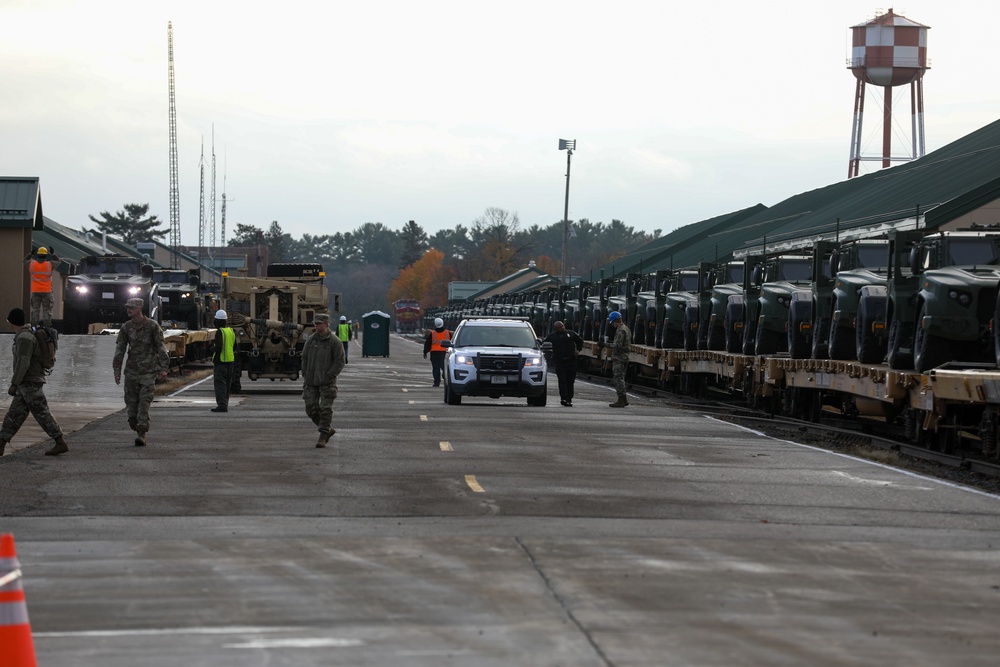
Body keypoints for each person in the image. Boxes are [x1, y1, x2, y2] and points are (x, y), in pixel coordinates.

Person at [0, 308, 69, 456]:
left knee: (42, 413)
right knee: (14, 415)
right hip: (27, 382)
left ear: (13, 322)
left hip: (30, 382)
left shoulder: (24, 337)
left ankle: (60, 441)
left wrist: (14, 383)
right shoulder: (25, 335)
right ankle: (1, 443)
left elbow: (23, 363)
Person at [112, 298, 169, 446]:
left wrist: (164, 368)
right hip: (131, 372)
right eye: (127, 308)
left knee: (144, 403)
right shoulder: (126, 328)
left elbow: (161, 347)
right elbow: (120, 350)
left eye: (131, 308)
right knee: (131, 408)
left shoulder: (152, 326)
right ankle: (136, 426)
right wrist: (117, 370)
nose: (128, 310)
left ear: (139, 308)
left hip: (148, 372)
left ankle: (142, 434)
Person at [302, 313, 346, 448]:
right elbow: (304, 358)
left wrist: (330, 375)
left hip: (327, 382)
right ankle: (328, 428)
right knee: (311, 408)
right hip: (311, 381)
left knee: (325, 409)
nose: (317, 325)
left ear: (326, 324)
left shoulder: (335, 341)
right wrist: (305, 373)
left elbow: (340, 361)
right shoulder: (311, 340)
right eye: (315, 323)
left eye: (319, 323)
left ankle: (323, 434)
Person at [543, 320, 584, 407]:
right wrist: (549, 355)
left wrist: (578, 350)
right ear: (556, 329)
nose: (562, 328)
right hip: (560, 362)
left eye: (562, 326)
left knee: (570, 381)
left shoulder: (571, 334)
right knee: (562, 381)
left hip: (571, 361)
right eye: (559, 327)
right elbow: (545, 345)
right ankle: (564, 398)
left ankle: (569, 398)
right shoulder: (552, 336)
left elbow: (580, 341)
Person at [23, 246, 61, 327]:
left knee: (35, 309)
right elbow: (58, 261)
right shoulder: (49, 265)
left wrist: (30, 254)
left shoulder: (32, 265)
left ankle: (34, 326)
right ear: (46, 255)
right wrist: (53, 254)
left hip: (35, 290)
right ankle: (47, 326)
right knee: (47, 309)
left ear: (38, 255)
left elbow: (24, 260)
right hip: (47, 291)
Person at [211, 309, 236, 413]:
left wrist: (211, 349)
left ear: (217, 321)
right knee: (227, 384)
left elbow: (219, 346)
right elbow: (235, 347)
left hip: (221, 362)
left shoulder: (219, 332)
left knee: (220, 383)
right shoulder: (231, 331)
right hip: (230, 362)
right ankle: (225, 404)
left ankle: (222, 405)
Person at [608, 311, 631, 408]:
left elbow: (617, 346)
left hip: (619, 358)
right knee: (621, 378)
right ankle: (624, 399)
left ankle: (621, 400)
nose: (612, 324)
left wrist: (605, 344)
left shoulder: (621, 330)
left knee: (618, 379)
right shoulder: (626, 328)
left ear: (615, 321)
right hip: (624, 357)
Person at [422, 318, 451, 387]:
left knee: (436, 368)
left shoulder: (432, 333)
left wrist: (425, 352)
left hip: (434, 353)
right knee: (444, 368)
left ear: (435, 324)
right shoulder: (448, 333)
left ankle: (436, 382)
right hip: (444, 353)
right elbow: (452, 342)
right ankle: (446, 378)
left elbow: (427, 343)